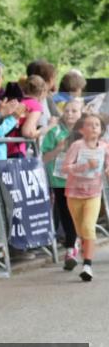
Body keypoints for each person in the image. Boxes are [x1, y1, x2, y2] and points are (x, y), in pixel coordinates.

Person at [62, 113, 109, 282]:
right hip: (74, 193)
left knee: (88, 227)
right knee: (81, 230)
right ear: (82, 130)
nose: (94, 127)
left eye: (97, 124)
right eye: (90, 124)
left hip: (93, 194)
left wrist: (107, 170)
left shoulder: (104, 147)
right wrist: (84, 166)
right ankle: (77, 247)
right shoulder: (77, 146)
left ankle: (87, 266)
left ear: (101, 129)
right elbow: (65, 168)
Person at [41, 98, 84, 270]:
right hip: (59, 180)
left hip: (81, 180)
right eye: (67, 110)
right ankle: (70, 248)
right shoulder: (55, 132)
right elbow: (44, 158)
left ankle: (76, 243)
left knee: (78, 214)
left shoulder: (85, 131)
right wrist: (58, 149)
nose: (69, 114)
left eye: (74, 111)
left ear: (81, 114)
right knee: (66, 213)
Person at [7, 75, 47, 157]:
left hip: (6, 147)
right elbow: (28, 132)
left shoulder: (20, 102)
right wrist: (45, 129)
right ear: (42, 92)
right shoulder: (35, 105)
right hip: (17, 148)